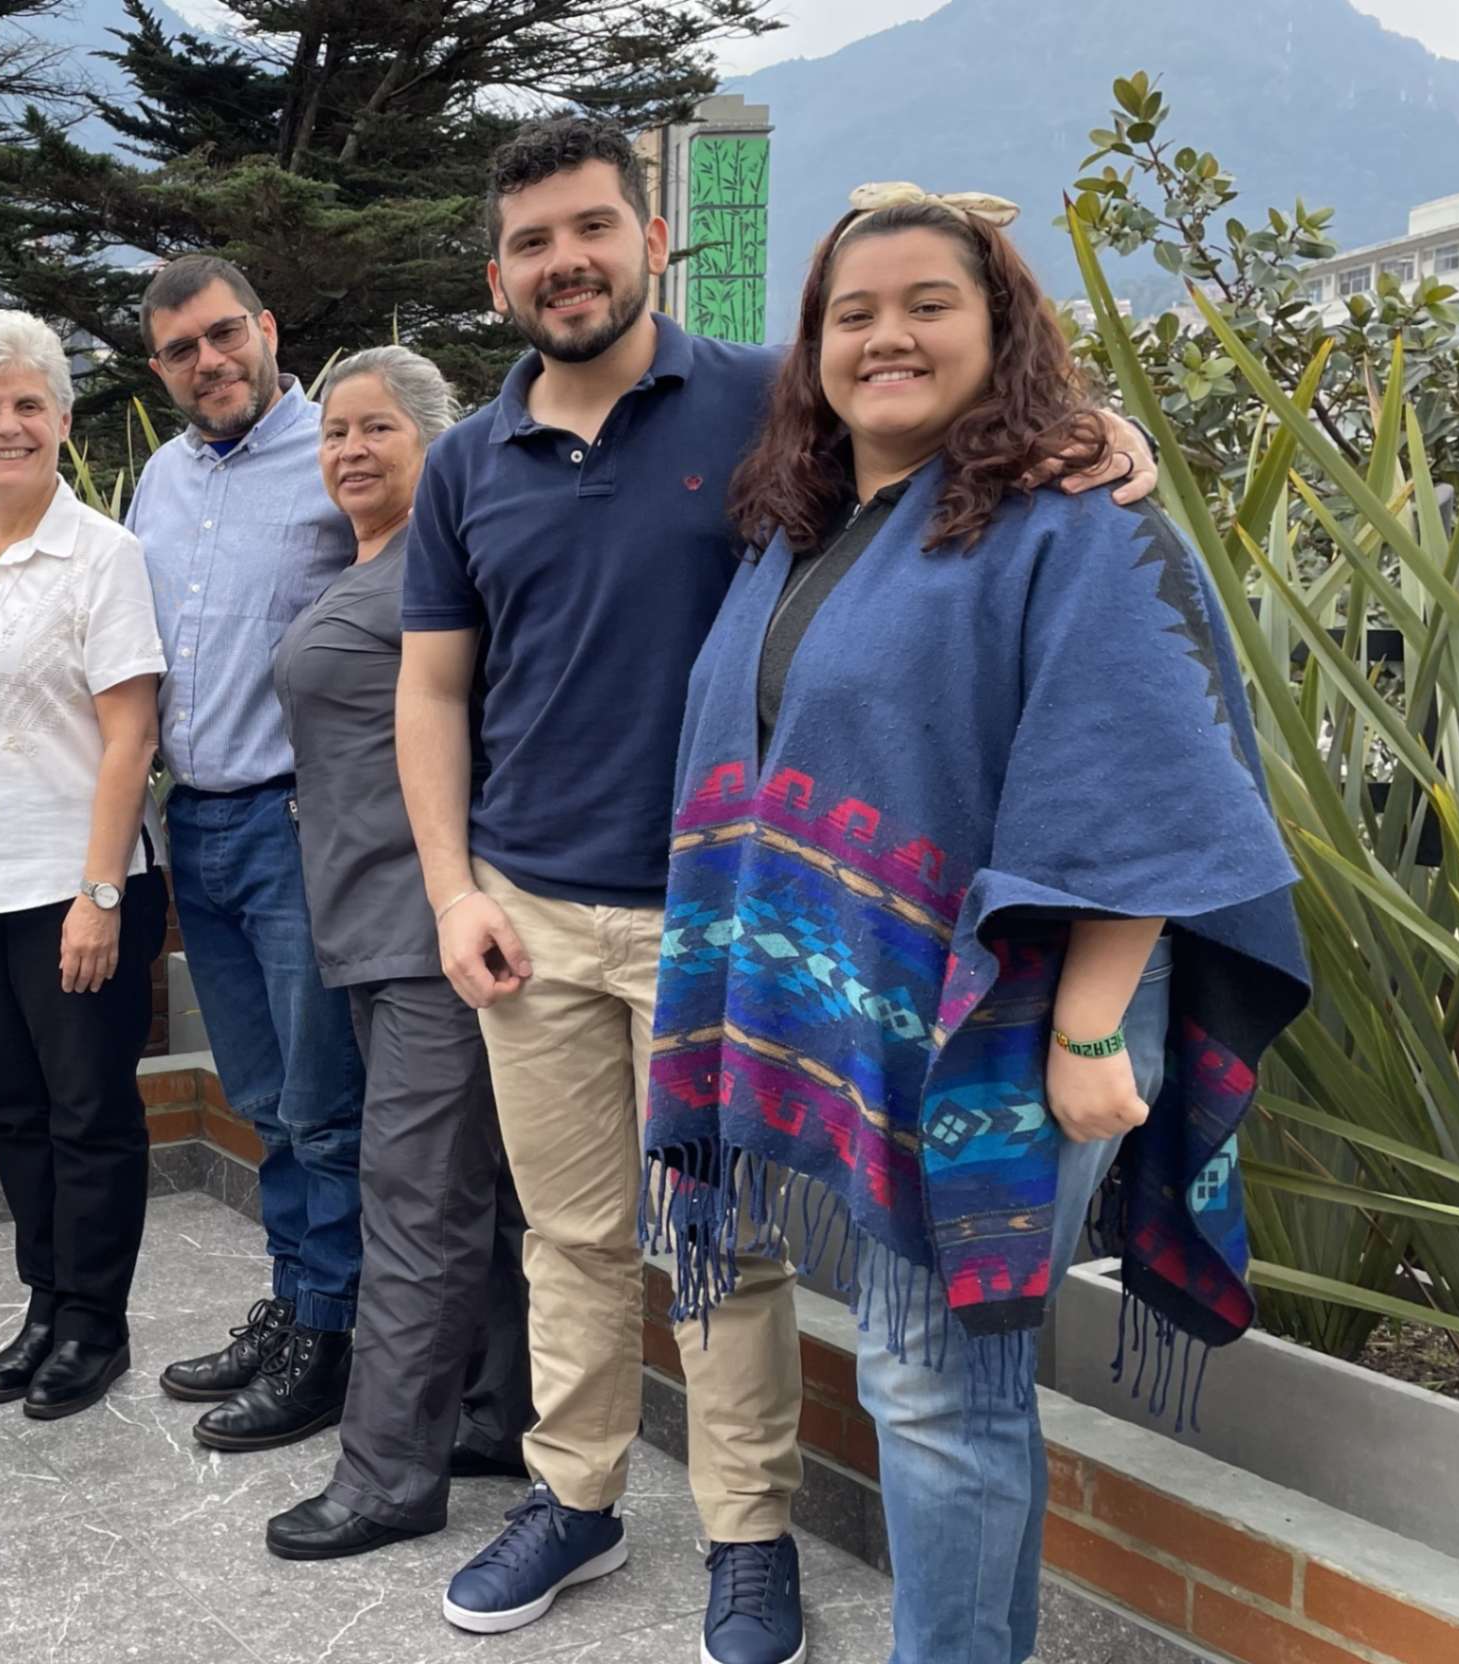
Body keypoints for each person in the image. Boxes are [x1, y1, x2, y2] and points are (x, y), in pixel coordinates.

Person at [395, 119, 1163, 1649]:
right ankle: (576, 1495)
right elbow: (430, 693)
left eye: (592, 227)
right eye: (534, 242)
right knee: (567, 1235)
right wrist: (451, 892)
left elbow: (955, 427)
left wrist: (1099, 431)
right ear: (499, 278)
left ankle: (749, 1536)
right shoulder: (465, 463)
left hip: (724, 926)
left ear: (651, 237)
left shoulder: (768, 393)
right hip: (529, 915)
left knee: (719, 1241)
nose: (567, 261)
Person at [644, 184, 1309, 1664]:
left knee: (937, 1391)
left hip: (1018, 1017)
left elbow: (1146, 785)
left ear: (998, 329)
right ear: (809, 348)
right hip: (895, 1003)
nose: (885, 336)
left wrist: (1083, 1030)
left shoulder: (1069, 523)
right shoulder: (810, 527)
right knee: (939, 1386)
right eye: (850, 312)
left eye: (927, 305)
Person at [262, 347, 537, 1561]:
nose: (350, 449)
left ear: (439, 440)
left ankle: (386, 1475)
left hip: (434, 930)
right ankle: (489, 1410)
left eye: (377, 427)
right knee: (467, 1196)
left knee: (416, 1199)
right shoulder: (368, 564)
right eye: (332, 432)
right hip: (365, 927)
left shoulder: (456, 564)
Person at [126, 255, 370, 1454]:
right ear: (159, 368)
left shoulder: (340, 451)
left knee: (327, 1105)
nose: (209, 362)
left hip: (297, 821)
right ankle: (294, 1300)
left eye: (225, 335)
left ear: (267, 326)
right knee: (266, 1101)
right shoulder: (158, 482)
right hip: (199, 824)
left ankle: (336, 1334)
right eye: (181, 350)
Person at [0, 312, 170, 1422]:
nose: (6, 425)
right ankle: (43, 1297)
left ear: (62, 421)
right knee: (9, 1106)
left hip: (74, 885)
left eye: (27, 405)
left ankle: (94, 1322)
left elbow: (131, 734)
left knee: (87, 1108)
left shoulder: (103, 557)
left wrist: (100, 893)